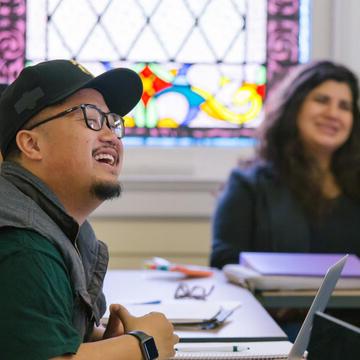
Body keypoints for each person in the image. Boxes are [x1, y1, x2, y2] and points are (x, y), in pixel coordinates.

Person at [0, 60, 178, 359]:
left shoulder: (62, 227)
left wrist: (104, 342)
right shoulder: (22, 243)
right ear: (32, 144)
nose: (110, 135)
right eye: (91, 118)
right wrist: (142, 346)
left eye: (113, 121)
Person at [210, 60, 360, 337]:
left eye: (345, 106)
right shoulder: (248, 184)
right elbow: (224, 261)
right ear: (295, 106)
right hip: (276, 331)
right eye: (322, 100)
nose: (333, 113)